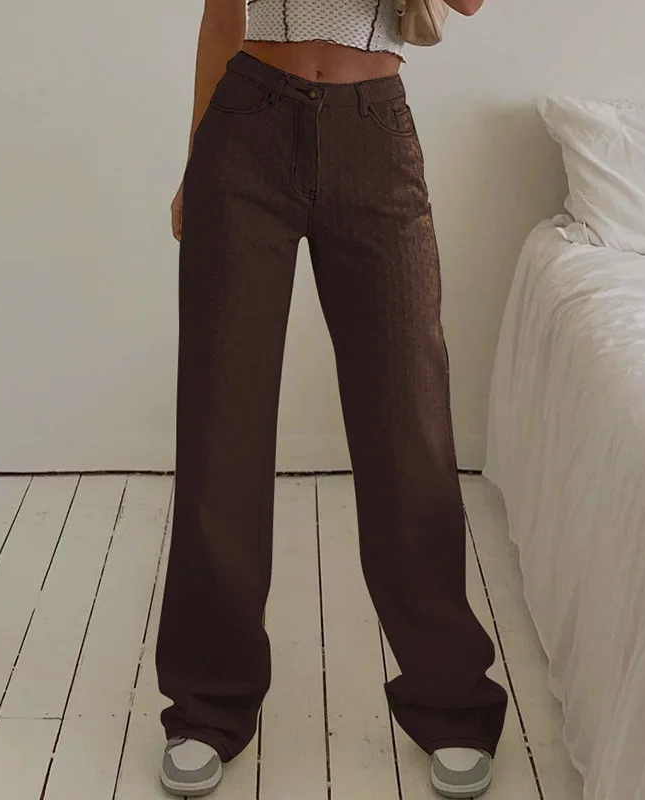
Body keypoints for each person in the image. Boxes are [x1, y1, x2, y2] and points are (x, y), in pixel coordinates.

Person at [155, 0, 508, 797]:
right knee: (221, 426)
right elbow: (221, 17)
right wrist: (196, 164)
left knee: (410, 428)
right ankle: (207, 705)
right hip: (246, 126)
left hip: (374, 129)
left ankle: (450, 700)